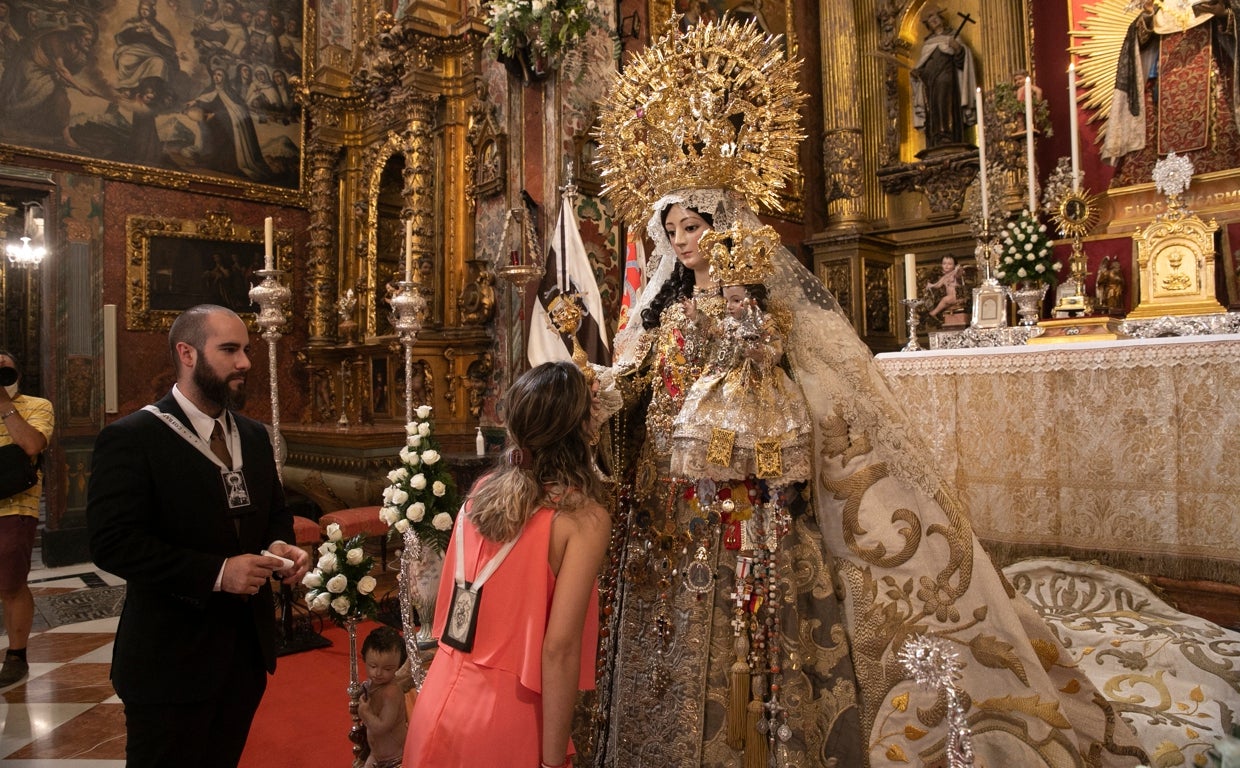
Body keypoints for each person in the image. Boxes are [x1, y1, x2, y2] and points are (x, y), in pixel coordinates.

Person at [594, 17, 1148, 767]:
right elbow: (638, 376)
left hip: (740, 495)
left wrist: (746, 335)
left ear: (723, 224)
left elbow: (798, 389)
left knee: (746, 622)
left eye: (694, 225)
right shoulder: (657, 309)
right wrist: (601, 387)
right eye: (674, 229)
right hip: (669, 497)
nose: (684, 239)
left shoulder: (759, 303)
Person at [86, 304, 310, 767]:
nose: (245, 362)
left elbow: (274, 513)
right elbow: (112, 543)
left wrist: (277, 546)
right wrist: (218, 572)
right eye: (229, 350)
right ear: (187, 353)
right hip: (169, 659)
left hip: (244, 655)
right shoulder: (133, 437)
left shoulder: (252, 436)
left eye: (246, 350)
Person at [403, 361, 611, 768]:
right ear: (582, 428)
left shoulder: (482, 491)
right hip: (506, 717)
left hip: (438, 699)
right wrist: (553, 761)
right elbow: (559, 650)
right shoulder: (583, 520)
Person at [669, 223, 811, 486]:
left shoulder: (764, 322)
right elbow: (713, 331)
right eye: (727, 300)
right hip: (727, 382)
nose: (730, 306)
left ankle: (766, 469)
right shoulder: (728, 323)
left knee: (767, 429)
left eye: (735, 300)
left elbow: (775, 349)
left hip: (761, 386)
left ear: (753, 299)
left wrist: (760, 353)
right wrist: (697, 317)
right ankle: (721, 465)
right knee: (721, 423)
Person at [1103, 0, 1240, 182]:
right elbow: (1138, 44)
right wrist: (1148, 15)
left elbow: (1233, 24)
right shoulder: (1162, 5)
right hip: (1165, 85)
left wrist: (1223, 14)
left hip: (1210, 82)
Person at [0, 349, 53, 689]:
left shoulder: (36, 405)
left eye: (3, 370)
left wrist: (4, 406)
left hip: (16, 506)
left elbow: (32, 445)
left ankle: (16, 654)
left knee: (10, 583)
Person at [910, 5, 977, 149]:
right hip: (930, 85)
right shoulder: (927, 43)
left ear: (941, 18)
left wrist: (958, 48)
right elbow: (923, 67)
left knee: (946, 105)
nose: (933, 20)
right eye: (929, 18)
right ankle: (936, 138)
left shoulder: (953, 37)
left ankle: (948, 135)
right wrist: (917, 74)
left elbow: (961, 62)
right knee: (933, 110)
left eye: (935, 16)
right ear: (927, 24)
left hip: (948, 80)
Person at [359, 626, 409, 768]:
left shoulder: (391, 692)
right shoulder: (371, 684)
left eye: (388, 669)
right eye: (373, 666)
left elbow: (382, 727)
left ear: (398, 666)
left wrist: (365, 713)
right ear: (365, 659)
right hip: (376, 755)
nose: (378, 673)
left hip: (395, 758)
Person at [925, 253, 965, 320]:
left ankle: (933, 313)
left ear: (954, 265)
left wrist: (958, 269)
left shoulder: (955, 274)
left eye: (949, 264)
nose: (946, 266)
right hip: (950, 298)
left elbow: (959, 273)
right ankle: (937, 314)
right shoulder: (944, 277)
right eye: (944, 263)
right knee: (945, 303)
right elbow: (938, 285)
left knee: (944, 300)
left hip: (957, 296)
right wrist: (930, 285)